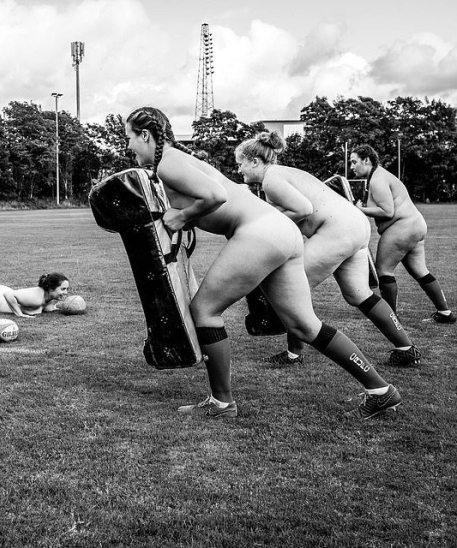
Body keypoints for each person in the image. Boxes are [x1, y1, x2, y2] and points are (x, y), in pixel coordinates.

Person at [124, 106, 400, 420]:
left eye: (129, 137)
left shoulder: (167, 164)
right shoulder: (181, 160)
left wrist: (183, 216)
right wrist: (187, 216)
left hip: (258, 232)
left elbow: (215, 195)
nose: (128, 146)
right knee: (304, 325)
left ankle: (221, 403)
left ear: (145, 135)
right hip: (283, 232)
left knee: (204, 310)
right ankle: (380, 390)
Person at [235, 132, 421, 367]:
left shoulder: (271, 179)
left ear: (255, 161)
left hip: (338, 229)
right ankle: (405, 348)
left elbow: (302, 209)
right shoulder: (284, 172)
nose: (240, 170)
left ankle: (293, 354)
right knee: (358, 294)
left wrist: (260, 220)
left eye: (241, 164)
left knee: (292, 285)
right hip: (355, 225)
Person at [350, 144, 455, 323]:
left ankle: (390, 319)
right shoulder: (380, 175)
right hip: (416, 225)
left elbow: (387, 211)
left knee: (384, 271)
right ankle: (445, 313)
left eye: (354, 162)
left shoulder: (377, 179)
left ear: (366, 160)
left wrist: (361, 209)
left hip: (402, 227)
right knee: (420, 271)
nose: (351, 167)